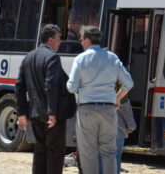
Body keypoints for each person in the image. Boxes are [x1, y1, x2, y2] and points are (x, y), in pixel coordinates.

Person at [67, 26, 133, 174]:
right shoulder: (112, 57)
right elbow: (129, 83)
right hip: (109, 109)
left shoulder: (80, 59)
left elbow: (71, 87)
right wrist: (117, 98)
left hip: (87, 110)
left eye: (81, 39)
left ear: (88, 40)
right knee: (109, 152)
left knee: (88, 153)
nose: (81, 42)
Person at [15, 24, 77, 174]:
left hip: (35, 113)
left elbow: (19, 86)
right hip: (52, 115)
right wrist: (52, 112)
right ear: (50, 39)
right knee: (55, 152)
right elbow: (51, 85)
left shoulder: (28, 57)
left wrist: (22, 113)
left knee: (40, 150)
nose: (60, 41)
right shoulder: (52, 57)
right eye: (58, 38)